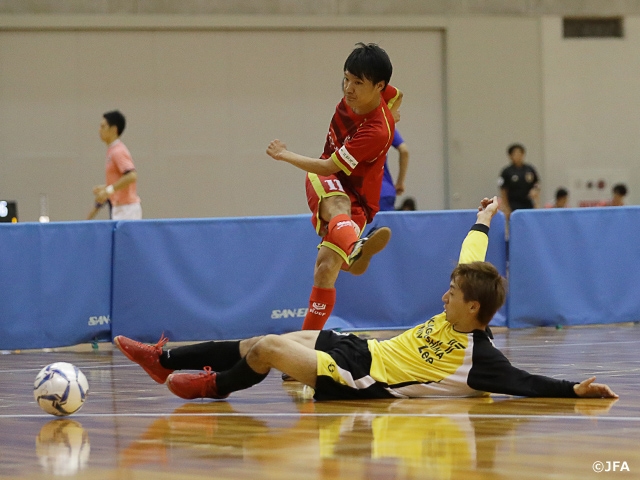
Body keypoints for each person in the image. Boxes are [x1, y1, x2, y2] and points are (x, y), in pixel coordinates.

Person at [113, 196, 618, 401]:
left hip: (364, 380)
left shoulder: (478, 358)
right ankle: (164, 358)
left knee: (265, 348)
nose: (444, 293)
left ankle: (213, 387)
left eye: (453, 292)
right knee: (253, 340)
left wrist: (574, 390)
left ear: (473, 310)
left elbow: (523, 383)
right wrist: (484, 219)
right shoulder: (463, 301)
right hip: (360, 347)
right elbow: (472, 253)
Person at [266, 43, 402, 331]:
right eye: (346, 79)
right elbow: (398, 95)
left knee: (325, 271)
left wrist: (284, 155)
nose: (348, 89)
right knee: (337, 203)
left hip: (358, 197)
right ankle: (354, 247)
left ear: (378, 86)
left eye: (357, 83)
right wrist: (396, 110)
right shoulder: (384, 94)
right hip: (330, 183)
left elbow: (330, 166)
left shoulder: (376, 130)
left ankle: (306, 345)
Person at [87, 110, 142, 220]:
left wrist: (108, 191)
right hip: (119, 208)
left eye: (103, 126)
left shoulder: (118, 151)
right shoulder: (111, 151)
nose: (99, 130)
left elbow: (131, 176)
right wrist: (105, 188)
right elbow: (121, 182)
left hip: (127, 209)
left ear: (114, 129)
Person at [497, 143, 540, 220]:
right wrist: (506, 207)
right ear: (510, 156)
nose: (518, 156)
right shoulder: (506, 171)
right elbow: (503, 190)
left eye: (520, 153)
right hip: (513, 204)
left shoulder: (529, 169)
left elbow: (536, 184)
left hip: (528, 203)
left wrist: (535, 191)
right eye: (515, 154)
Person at [379, 129, 410, 211]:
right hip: (385, 190)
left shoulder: (353, 126)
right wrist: (400, 182)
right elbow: (404, 150)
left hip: (361, 192)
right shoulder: (385, 125)